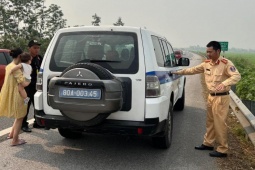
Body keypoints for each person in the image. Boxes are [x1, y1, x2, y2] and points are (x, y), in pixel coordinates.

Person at [172, 41, 241, 157]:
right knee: (210, 122)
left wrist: (224, 83)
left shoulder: (226, 64)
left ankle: (222, 149)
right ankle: (208, 143)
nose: (208, 54)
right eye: (207, 52)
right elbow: (192, 70)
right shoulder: (207, 64)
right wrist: (177, 72)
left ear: (218, 51)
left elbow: (236, 76)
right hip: (211, 97)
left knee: (220, 124)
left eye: (210, 52)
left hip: (221, 98)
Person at [0, 48, 27, 146]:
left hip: (12, 93)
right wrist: (29, 79)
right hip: (18, 95)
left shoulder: (8, 66)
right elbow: (23, 83)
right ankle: (15, 140)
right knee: (20, 116)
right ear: (19, 56)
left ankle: (12, 134)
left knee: (19, 115)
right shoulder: (16, 69)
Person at [21, 39, 44, 132]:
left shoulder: (39, 58)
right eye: (35, 48)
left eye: (38, 48)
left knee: (37, 105)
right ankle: (23, 124)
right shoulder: (24, 58)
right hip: (26, 87)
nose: (37, 50)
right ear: (29, 48)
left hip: (36, 87)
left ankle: (37, 123)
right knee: (25, 106)